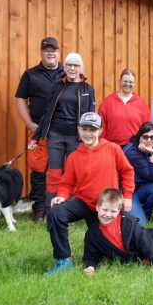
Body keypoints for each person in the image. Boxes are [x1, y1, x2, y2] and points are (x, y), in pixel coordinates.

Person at [44, 112, 135, 276]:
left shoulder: (112, 149)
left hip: (107, 207)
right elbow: (66, 183)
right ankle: (64, 260)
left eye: (92, 130)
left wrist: (127, 196)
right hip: (84, 202)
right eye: (84, 129)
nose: (88, 133)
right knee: (56, 213)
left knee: (112, 249)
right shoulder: (74, 156)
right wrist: (61, 196)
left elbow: (128, 171)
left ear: (100, 131)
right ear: (78, 130)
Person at [31, 52, 95, 203]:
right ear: (64, 67)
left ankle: (68, 210)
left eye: (75, 65)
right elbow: (47, 112)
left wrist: (91, 139)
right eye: (69, 65)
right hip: (56, 136)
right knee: (54, 174)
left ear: (81, 68)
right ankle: (50, 209)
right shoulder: (58, 85)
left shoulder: (88, 89)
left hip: (75, 137)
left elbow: (91, 116)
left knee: (72, 174)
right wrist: (36, 137)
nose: (72, 68)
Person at [15, 36, 64, 221]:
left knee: (61, 170)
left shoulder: (67, 73)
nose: (50, 53)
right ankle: (39, 210)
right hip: (39, 132)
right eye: (47, 50)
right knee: (38, 170)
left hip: (62, 131)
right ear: (41, 52)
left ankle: (59, 207)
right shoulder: (30, 74)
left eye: (54, 50)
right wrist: (29, 124)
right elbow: (20, 99)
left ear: (58, 52)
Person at [122, 122, 153, 225]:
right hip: (127, 191)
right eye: (145, 137)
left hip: (141, 188)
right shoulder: (132, 152)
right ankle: (126, 210)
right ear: (139, 137)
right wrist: (152, 154)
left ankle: (146, 212)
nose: (149, 140)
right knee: (140, 224)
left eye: (152, 137)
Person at [97, 69, 151, 147]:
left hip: (134, 148)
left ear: (134, 83)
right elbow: (102, 126)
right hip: (112, 147)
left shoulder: (141, 104)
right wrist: (102, 145)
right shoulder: (107, 102)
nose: (127, 84)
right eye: (125, 81)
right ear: (120, 81)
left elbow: (147, 127)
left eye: (130, 82)